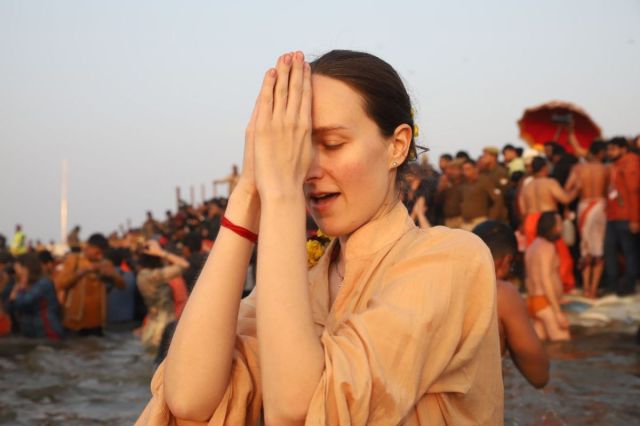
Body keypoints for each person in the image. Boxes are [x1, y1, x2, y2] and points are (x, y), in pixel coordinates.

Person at [137, 50, 502, 425]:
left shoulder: (451, 258)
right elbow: (188, 399)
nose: (306, 170)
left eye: (331, 145)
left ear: (397, 146)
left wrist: (280, 195)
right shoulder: (305, 277)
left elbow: (300, 409)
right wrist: (248, 190)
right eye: (298, 149)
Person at [473, 220, 549, 388]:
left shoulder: (439, 282)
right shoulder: (501, 292)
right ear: (504, 261)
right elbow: (539, 376)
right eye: (511, 266)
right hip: (470, 410)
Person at [519, 156, 578, 291]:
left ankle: (537, 287)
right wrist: (577, 189)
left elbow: (522, 208)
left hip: (530, 220)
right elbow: (565, 199)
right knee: (560, 256)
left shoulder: (527, 186)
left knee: (534, 256)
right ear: (545, 168)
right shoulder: (550, 182)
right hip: (548, 221)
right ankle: (560, 286)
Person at [54, 233, 125, 336]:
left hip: (97, 324)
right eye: (97, 253)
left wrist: (112, 275)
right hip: (74, 322)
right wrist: (82, 272)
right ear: (88, 247)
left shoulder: (106, 264)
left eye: (102, 254)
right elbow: (59, 284)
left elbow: (122, 285)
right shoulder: (74, 260)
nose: (100, 256)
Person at [564, 141, 609, 297]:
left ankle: (586, 287)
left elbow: (567, 189)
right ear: (601, 153)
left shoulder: (578, 169)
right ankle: (594, 288)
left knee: (586, 249)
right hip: (600, 206)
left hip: (584, 207)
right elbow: (610, 191)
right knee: (599, 250)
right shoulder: (605, 169)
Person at [525, 212, 570, 341]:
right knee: (562, 343)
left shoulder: (532, 247)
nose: (562, 228)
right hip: (545, 303)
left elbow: (528, 279)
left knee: (542, 347)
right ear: (551, 227)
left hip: (533, 302)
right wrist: (557, 312)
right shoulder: (547, 247)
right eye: (559, 224)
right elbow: (546, 280)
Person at [136, 240, 189, 351]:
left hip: (150, 327)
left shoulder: (142, 276)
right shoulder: (154, 276)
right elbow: (184, 265)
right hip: (164, 327)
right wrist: (161, 252)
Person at [604, 137, 640, 296]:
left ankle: (629, 284)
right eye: (608, 149)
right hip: (613, 215)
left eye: (613, 149)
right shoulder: (615, 165)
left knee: (629, 251)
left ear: (623, 149)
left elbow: (634, 192)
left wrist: (634, 218)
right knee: (610, 249)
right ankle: (613, 283)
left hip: (625, 215)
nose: (609, 152)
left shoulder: (631, 162)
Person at [7, 253, 63, 339]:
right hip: (32, 333)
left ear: (26, 269)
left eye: (18, 268)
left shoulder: (43, 283)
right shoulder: (22, 284)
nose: (16, 272)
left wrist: (21, 286)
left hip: (47, 332)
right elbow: (10, 307)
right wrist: (16, 288)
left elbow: (24, 302)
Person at [460, 159, 504, 230]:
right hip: (465, 223)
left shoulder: (484, 181)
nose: (465, 172)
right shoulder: (463, 184)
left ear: (475, 169)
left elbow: (497, 200)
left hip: (480, 221)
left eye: (468, 169)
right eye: (464, 170)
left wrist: (490, 220)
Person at [436, 158, 464, 228]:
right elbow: (437, 202)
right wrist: (441, 188)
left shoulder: (465, 183)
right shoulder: (447, 184)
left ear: (460, 170)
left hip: (461, 219)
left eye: (453, 169)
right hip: (448, 220)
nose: (450, 172)